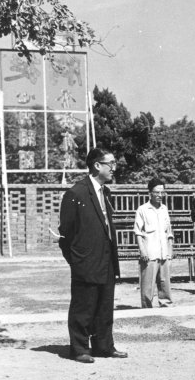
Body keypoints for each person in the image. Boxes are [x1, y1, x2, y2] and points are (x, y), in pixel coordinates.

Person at [58, 148, 127, 363]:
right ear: (97, 165)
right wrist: (77, 261)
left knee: (105, 307)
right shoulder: (76, 194)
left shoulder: (105, 192)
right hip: (85, 262)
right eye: (110, 163)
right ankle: (79, 348)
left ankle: (104, 346)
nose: (114, 168)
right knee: (83, 307)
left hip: (106, 260)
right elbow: (66, 235)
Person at [134, 178, 174, 308]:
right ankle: (147, 310)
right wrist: (142, 250)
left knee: (165, 284)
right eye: (157, 192)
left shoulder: (164, 209)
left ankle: (166, 306)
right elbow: (138, 232)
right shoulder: (142, 209)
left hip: (164, 253)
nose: (160, 195)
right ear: (150, 193)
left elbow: (169, 232)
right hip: (149, 253)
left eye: (162, 192)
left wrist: (170, 252)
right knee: (147, 285)